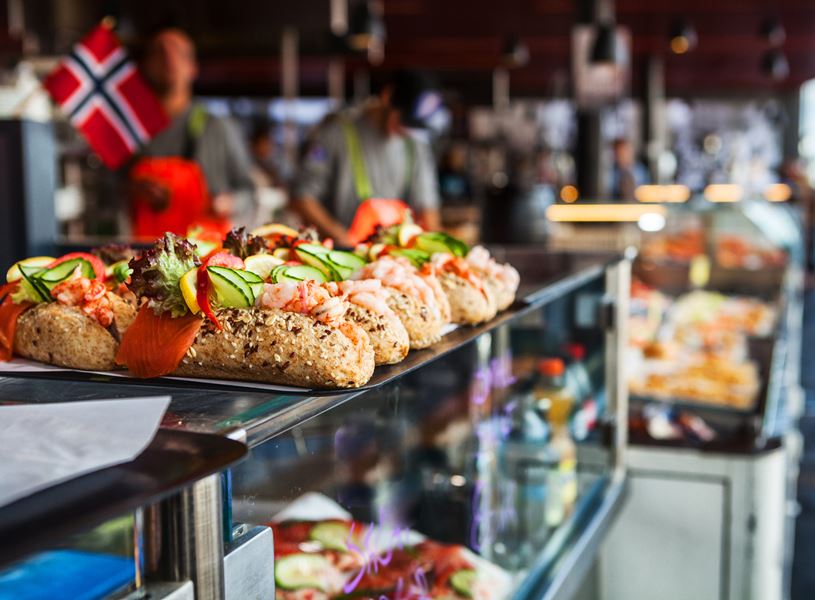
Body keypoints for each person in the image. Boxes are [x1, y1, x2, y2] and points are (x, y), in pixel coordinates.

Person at [291, 70, 443, 246]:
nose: (404, 129)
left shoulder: (416, 147)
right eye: (402, 118)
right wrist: (340, 235)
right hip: (342, 253)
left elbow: (427, 208)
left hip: (394, 256)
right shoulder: (334, 136)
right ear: (387, 96)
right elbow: (302, 198)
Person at [129, 27, 255, 237]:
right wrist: (133, 190)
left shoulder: (218, 127)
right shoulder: (132, 131)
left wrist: (227, 203)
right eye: (159, 52)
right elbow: (108, 191)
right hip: (148, 251)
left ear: (193, 68)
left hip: (205, 253)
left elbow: (249, 193)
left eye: (178, 52)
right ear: (146, 66)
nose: (169, 59)